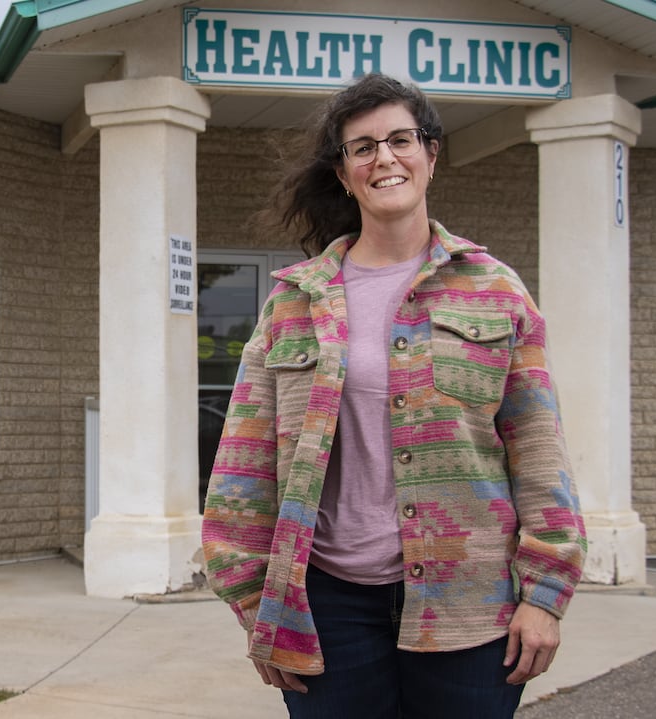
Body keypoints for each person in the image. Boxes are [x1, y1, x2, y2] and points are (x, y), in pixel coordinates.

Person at [200, 73, 587, 719]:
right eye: (363, 146)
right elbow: (243, 458)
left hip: (470, 602)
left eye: (401, 139)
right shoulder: (294, 300)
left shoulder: (495, 290)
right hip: (327, 604)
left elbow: (539, 447)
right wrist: (253, 600)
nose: (384, 157)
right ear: (344, 171)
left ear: (431, 154)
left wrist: (545, 592)